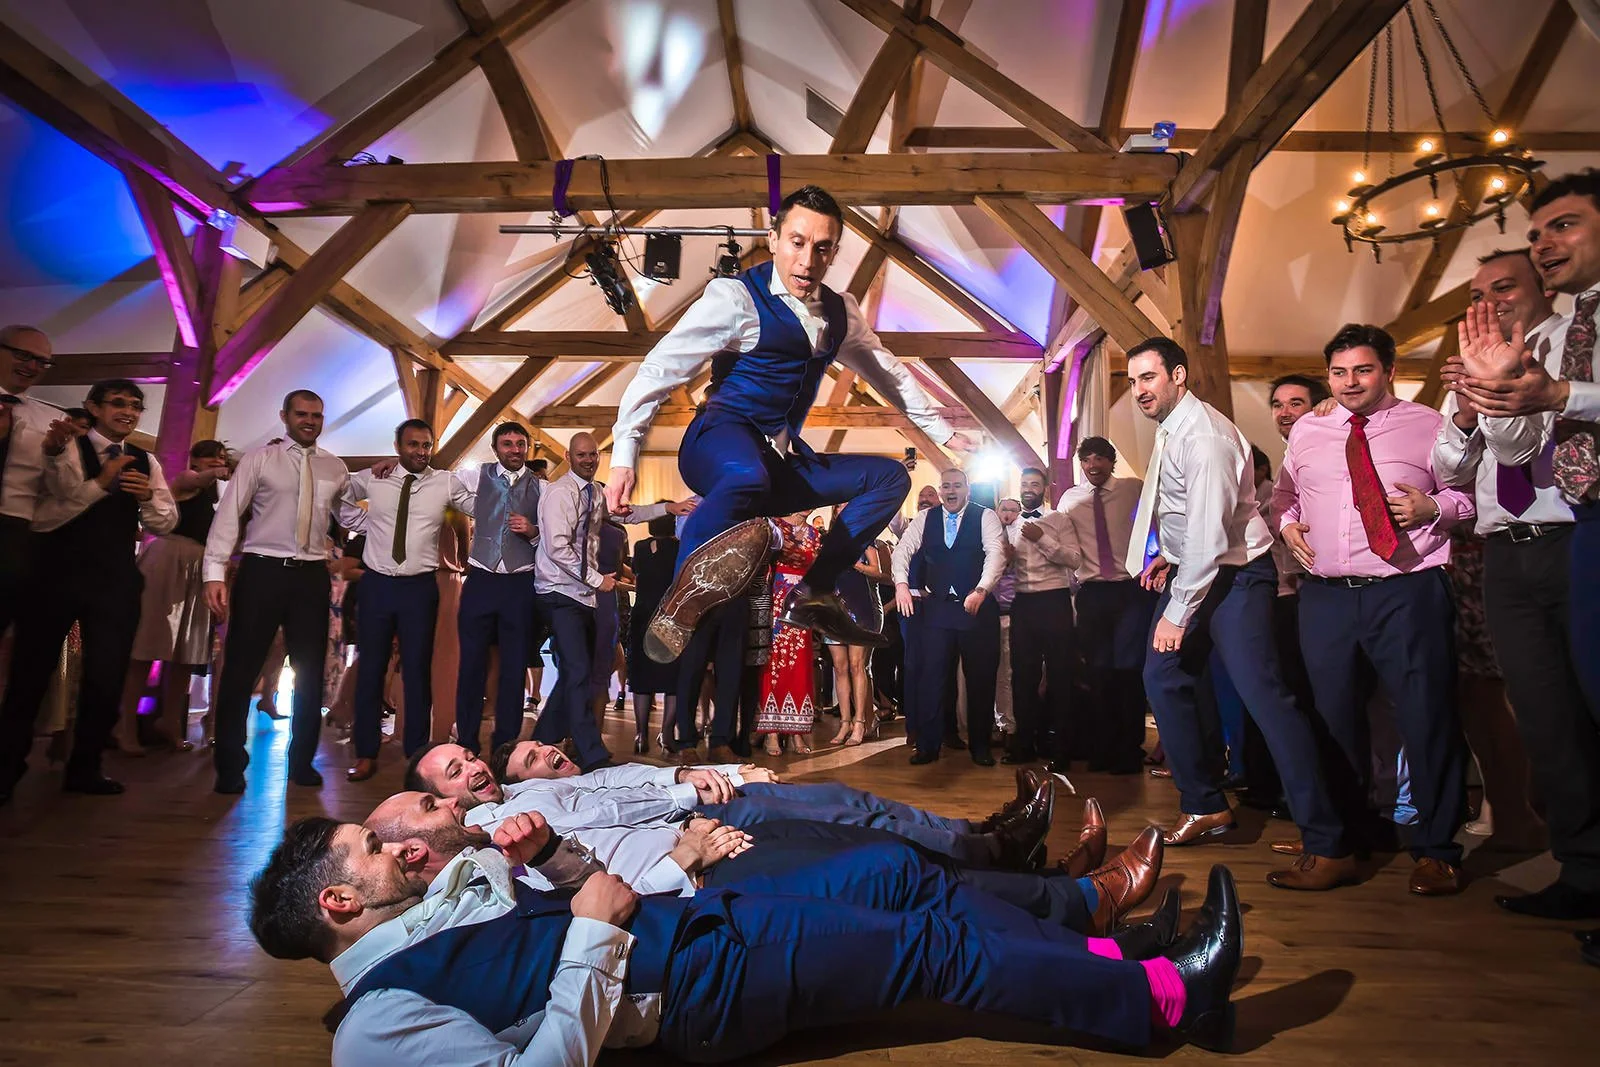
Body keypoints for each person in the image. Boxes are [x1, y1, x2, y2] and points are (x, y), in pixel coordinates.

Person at [250, 814, 1239, 1063]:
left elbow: (578, 894)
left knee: (921, 900)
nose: (390, 845)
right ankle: (1165, 1003)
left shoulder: (430, 908)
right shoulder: (373, 1030)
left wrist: (550, 860)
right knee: (930, 952)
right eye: (367, 848)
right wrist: (592, 937)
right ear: (338, 902)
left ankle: (1113, 955)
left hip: (702, 928)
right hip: (700, 990)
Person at [607, 185, 976, 660]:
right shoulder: (736, 297)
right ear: (775, 236)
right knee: (746, 473)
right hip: (716, 443)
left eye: (822, 248)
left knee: (888, 477)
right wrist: (623, 455)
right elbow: (660, 369)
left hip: (779, 462)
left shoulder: (841, 314)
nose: (806, 260)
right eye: (797, 243)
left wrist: (943, 432)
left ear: (835, 252)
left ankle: (815, 592)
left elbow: (888, 372)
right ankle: (681, 599)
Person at [1123, 337, 1352, 891]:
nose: (1139, 391)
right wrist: (1167, 560)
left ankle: (1329, 842)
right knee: (1164, 677)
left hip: (1234, 577)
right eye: (1132, 382)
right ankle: (1205, 804)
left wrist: (1178, 609)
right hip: (1200, 567)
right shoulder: (1176, 426)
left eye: (1148, 378)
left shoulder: (1203, 436)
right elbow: (1188, 527)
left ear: (1178, 376)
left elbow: (1208, 536)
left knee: (1265, 699)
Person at [1273, 323, 1474, 896]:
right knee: (1333, 722)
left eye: (1362, 370)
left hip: (1405, 588)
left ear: (1387, 369)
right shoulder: (1308, 430)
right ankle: (1345, 843)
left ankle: (1437, 850)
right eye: (1338, 372)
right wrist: (1287, 528)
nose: (1349, 382)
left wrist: (1433, 505)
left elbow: (1468, 495)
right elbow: (1286, 495)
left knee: (1425, 716)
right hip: (1327, 595)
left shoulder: (1428, 425)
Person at [1448, 173, 1600, 923]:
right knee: (1545, 715)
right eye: (1537, 234)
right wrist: (1478, 405)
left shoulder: (1574, 335)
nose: (1495, 302)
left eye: (1561, 228)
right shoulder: (1498, 351)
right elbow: (1477, 463)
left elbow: (1556, 416)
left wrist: (1554, 394)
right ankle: (1586, 870)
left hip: (1574, 528)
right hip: (1507, 545)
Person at [418, 737, 1055, 872]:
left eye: (469, 756)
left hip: (697, 802)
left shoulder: (522, 792)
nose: (471, 768)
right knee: (855, 821)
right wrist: (693, 789)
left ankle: (978, 833)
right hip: (692, 826)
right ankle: (994, 852)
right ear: (440, 798)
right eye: (457, 772)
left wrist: (725, 768)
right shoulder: (494, 821)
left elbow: (626, 778)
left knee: (852, 801)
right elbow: (605, 814)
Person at [1431, 248, 1558, 852]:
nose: (1488, 304)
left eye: (1503, 288)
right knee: (1483, 689)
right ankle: (1515, 814)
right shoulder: (1466, 370)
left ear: (1544, 287)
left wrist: (1506, 386)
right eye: (1478, 295)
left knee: (1564, 693)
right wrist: (1460, 414)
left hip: (1568, 533)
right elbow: (1450, 471)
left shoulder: (1566, 352)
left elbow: (1524, 454)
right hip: (1488, 546)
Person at [0, 378, 177, 801]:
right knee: (31, 673)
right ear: (93, 407)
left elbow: (165, 522)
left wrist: (149, 497)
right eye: (117, 403)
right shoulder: (66, 447)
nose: (128, 412)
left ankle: (85, 767)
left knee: (106, 677)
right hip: (53, 575)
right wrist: (102, 482)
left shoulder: (144, 459)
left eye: (135, 405)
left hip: (114, 581)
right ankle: (7, 768)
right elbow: (50, 511)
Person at [204, 389, 350, 794]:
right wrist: (214, 572)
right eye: (301, 414)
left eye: (316, 415)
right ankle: (230, 764)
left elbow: (350, 514)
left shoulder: (334, 467)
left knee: (309, 673)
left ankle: (301, 762)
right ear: (284, 415)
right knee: (240, 668)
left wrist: (382, 479)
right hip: (262, 570)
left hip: (310, 576)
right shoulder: (259, 459)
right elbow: (229, 514)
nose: (309, 421)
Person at [338, 419, 475, 778]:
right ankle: (365, 752)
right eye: (413, 444)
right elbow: (336, 492)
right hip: (377, 585)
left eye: (426, 445)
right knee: (370, 668)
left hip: (419, 588)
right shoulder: (375, 478)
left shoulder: (444, 482)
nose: (420, 451)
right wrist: (365, 522)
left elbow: (478, 505)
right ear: (398, 446)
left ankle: (417, 753)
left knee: (416, 671)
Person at [533, 433, 674, 771]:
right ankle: (591, 751)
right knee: (578, 670)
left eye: (593, 454)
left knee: (574, 673)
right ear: (568, 456)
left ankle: (540, 738)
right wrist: (600, 580)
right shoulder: (559, 493)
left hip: (581, 594)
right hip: (558, 592)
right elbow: (557, 547)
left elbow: (625, 514)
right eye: (581, 455)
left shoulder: (595, 491)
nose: (588, 460)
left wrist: (666, 508)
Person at [120, 439, 231, 751]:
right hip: (170, 561)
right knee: (147, 645)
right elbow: (195, 479)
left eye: (221, 457)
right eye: (210, 457)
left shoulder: (220, 497)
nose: (217, 462)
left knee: (189, 649)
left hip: (202, 568)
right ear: (194, 458)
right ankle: (125, 722)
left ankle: (169, 720)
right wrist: (218, 471)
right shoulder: (185, 480)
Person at [893, 467, 1005, 767]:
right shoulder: (925, 519)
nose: (951, 491)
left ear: (966, 489)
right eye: (946, 486)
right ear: (940, 491)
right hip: (938, 609)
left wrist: (981, 590)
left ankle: (980, 746)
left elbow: (996, 553)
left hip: (977, 608)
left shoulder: (985, 516)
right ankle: (929, 745)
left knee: (980, 680)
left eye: (957, 485)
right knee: (932, 679)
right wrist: (902, 585)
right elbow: (903, 550)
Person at [1057, 437, 1156, 774]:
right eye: (1087, 459)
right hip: (1093, 593)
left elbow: (1158, 525)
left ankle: (1130, 750)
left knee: (1127, 672)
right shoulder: (1070, 498)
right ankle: (1101, 748)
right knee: (1098, 672)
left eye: (1100, 458)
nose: (1094, 464)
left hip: (1131, 591)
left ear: (1112, 461)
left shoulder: (1134, 489)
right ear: (1080, 464)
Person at [451, 422, 540, 755]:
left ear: (528, 448)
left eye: (520, 444)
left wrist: (532, 531)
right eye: (508, 444)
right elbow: (435, 483)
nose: (515, 450)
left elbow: (552, 539)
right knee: (471, 665)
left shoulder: (542, 488)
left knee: (514, 667)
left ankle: (505, 742)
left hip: (520, 583)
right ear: (495, 447)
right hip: (481, 580)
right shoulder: (475, 477)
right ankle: (466, 741)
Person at [1004, 466, 1081, 768]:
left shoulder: (1059, 520)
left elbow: (1074, 559)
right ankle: (1025, 745)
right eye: (1024, 484)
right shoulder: (1009, 524)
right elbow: (1004, 569)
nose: (1028, 489)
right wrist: (1007, 561)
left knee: (1061, 676)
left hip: (1055, 601)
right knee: (1022, 677)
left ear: (1044, 488)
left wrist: (1042, 539)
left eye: (1034, 484)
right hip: (1023, 604)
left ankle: (1062, 750)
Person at [0, 326, 63, 647]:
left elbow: (64, 492)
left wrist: (55, 457)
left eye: (43, 362)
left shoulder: (52, 421)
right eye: (24, 356)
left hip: (15, 537)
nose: (33, 367)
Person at [755, 511, 821, 754]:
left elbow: (815, 569)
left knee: (800, 664)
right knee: (773, 664)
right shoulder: (775, 525)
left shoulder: (814, 534)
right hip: (776, 598)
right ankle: (771, 733)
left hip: (801, 602)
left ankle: (797, 733)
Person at [822, 503, 888, 746]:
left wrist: (856, 564)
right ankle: (844, 723)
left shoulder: (866, 536)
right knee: (839, 668)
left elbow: (878, 571)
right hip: (833, 608)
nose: (844, 509)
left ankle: (861, 722)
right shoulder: (827, 540)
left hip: (861, 607)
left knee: (857, 665)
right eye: (840, 506)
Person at [625, 510, 680, 754]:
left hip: (642, 615)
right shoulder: (679, 548)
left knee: (641, 679)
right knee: (673, 680)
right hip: (670, 616)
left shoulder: (640, 547)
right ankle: (667, 733)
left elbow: (638, 574)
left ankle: (640, 734)